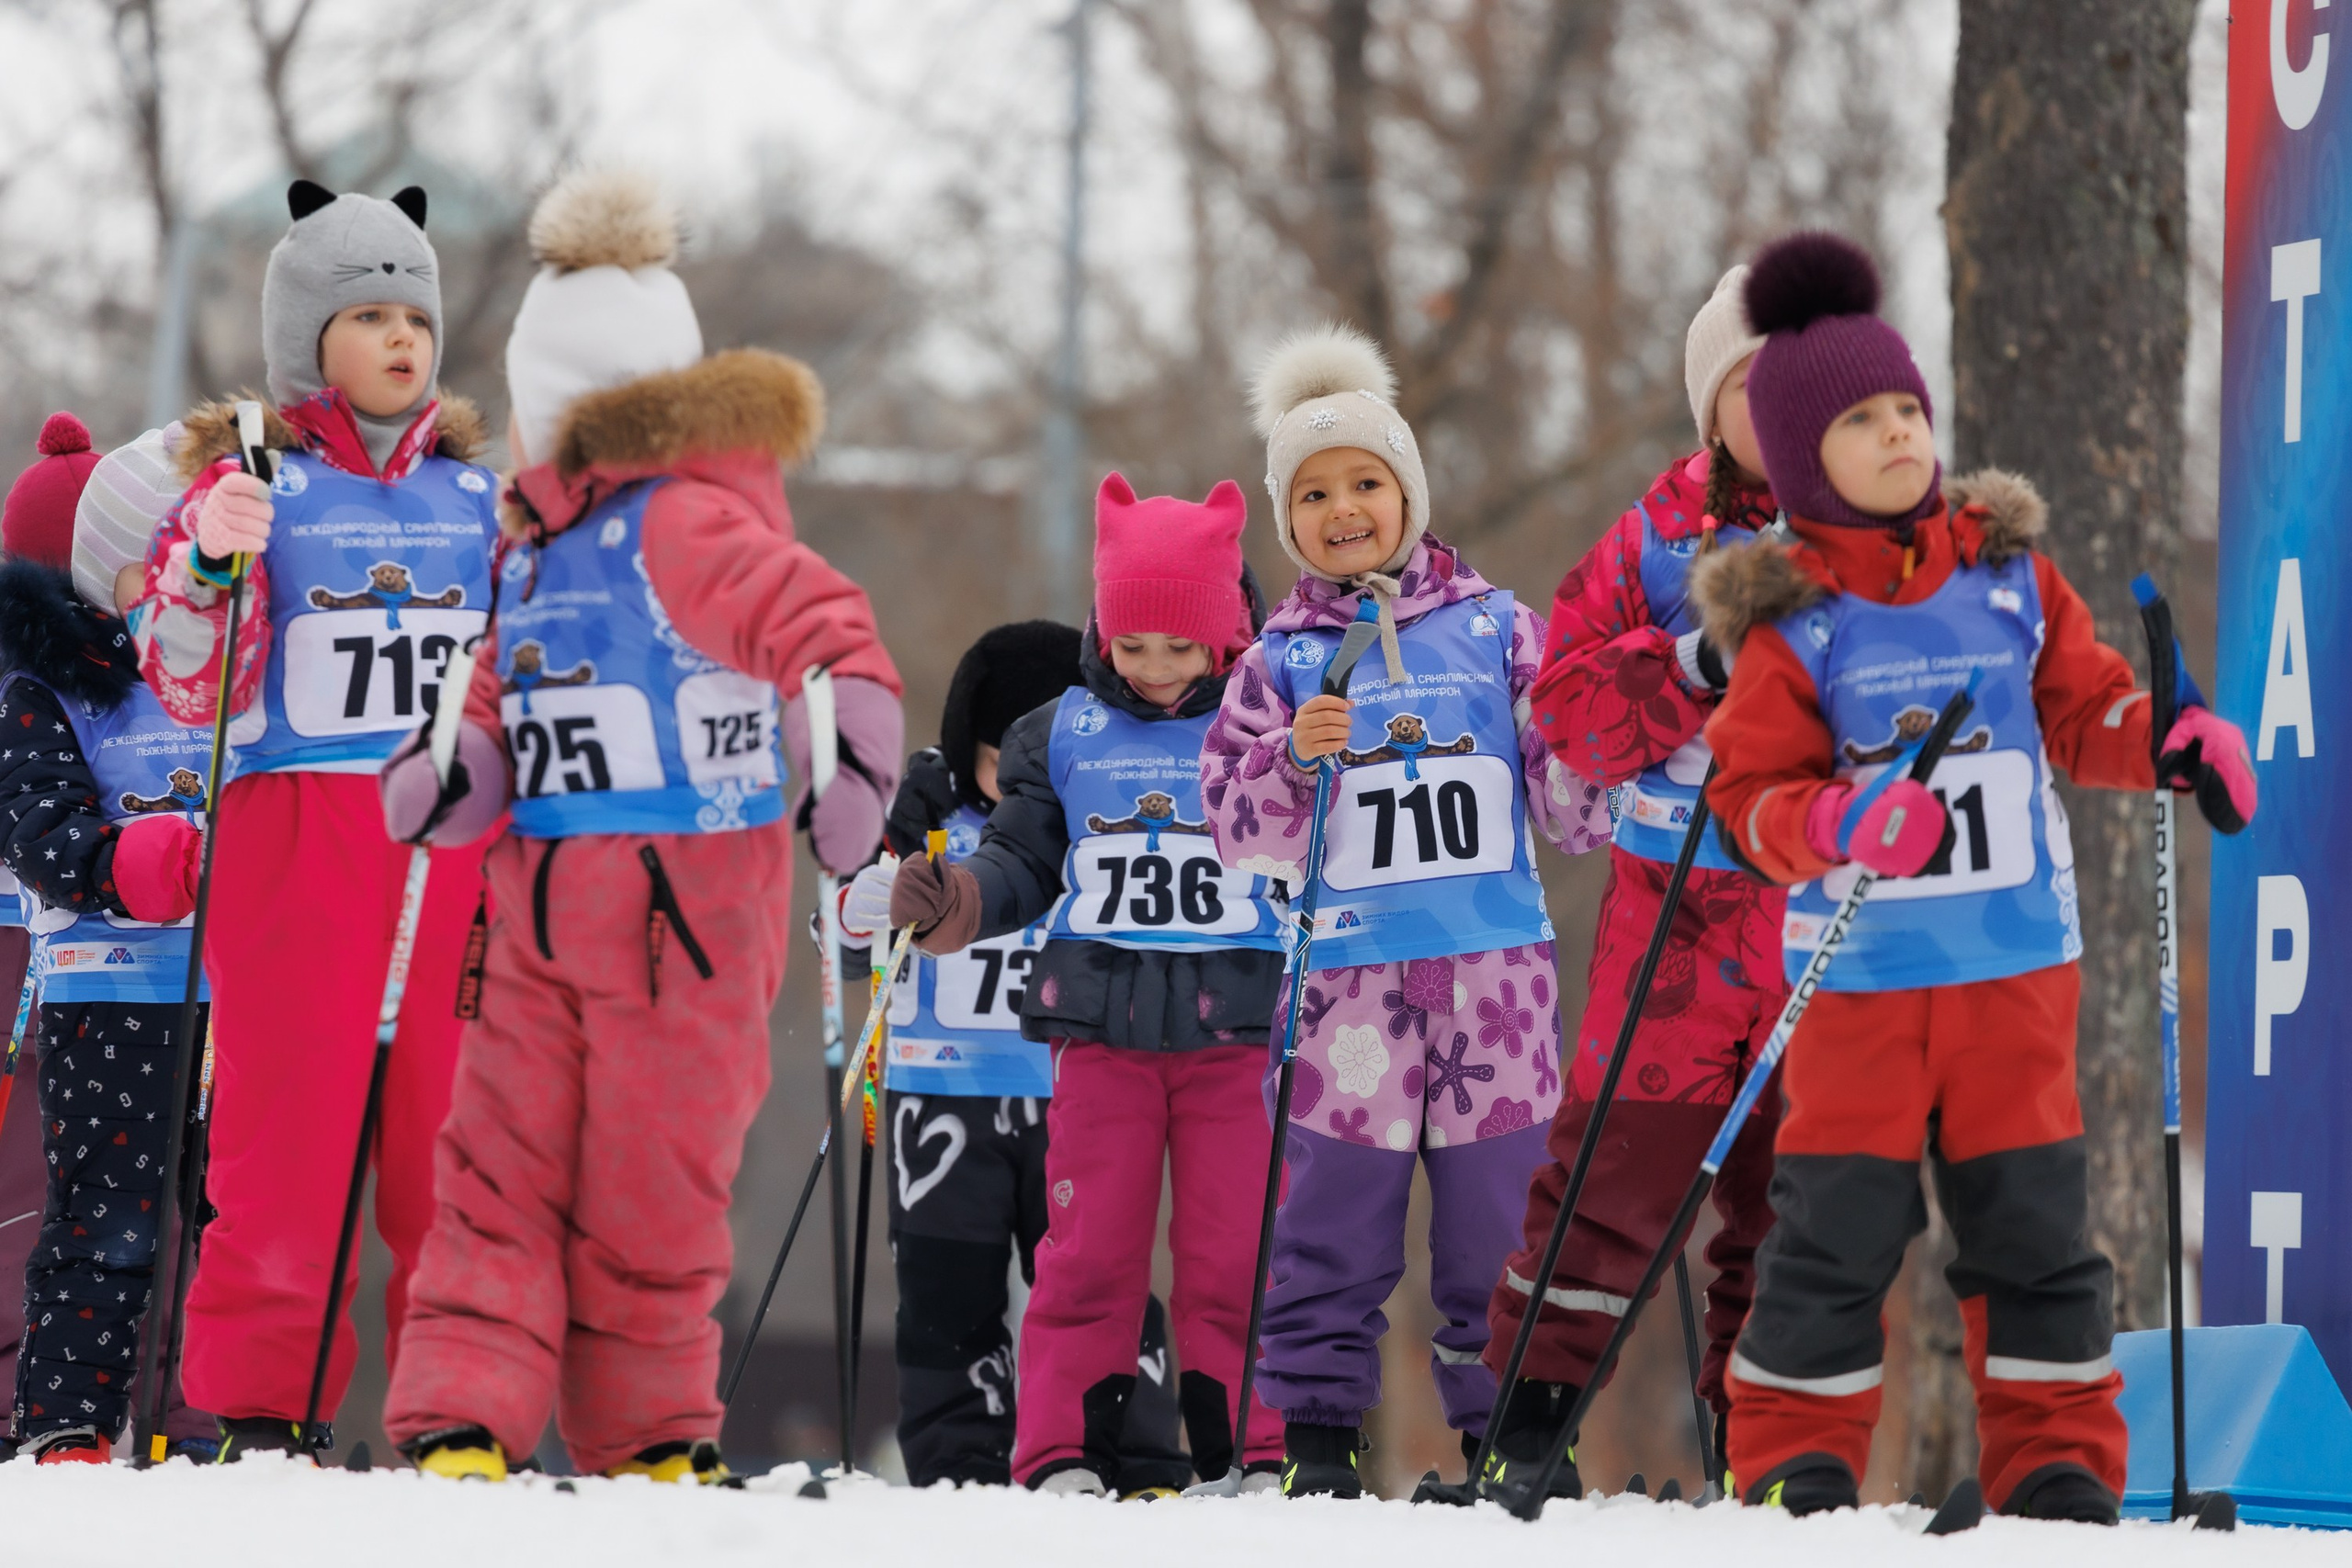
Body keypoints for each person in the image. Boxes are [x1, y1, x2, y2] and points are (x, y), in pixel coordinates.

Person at [1689, 231, 2258, 1523]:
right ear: (1795, 456)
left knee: (2038, 1236)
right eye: (1860, 418)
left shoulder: (2009, 579)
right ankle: (1793, 1462)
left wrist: (2170, 742)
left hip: (2013, 981)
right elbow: (1745, 805)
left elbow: (2091, 710)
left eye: (1907, 407)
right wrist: (1840, 818)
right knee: (1836, 1235)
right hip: (1865, 992)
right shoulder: (1795, 620)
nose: (1898, 433)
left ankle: (2056, 1461)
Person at [376, 168, 900, 1483]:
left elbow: (826, 627)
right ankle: (461, 1410)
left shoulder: (686, 523)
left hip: (686, 929)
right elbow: (494, 694)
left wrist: (847, 765)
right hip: (536, 919)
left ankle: (649, 1429)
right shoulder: (538, 550)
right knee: (491, 1167)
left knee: (651, 1191)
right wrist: (453, 772)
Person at [1198, 325, 1609, 1498]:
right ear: (1289, 521)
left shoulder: (1493, 627)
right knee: (1332, 1216)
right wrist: (1289, 757)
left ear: (1408, 494)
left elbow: (1567, 801)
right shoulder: (1275, 664)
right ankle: (1320, 1438)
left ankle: (1515, 1441)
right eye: (1314, 493)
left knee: (1499, 1223)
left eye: (1366, 483)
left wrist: (1612, 741)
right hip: (1348, 994)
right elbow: (1235, 829)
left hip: (1493, 989)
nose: (1343, 510)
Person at [134, 181, 499, 1460]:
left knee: (458, 1153)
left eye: (417, 312)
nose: (405, 337)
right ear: (308, 339)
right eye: (370, 313)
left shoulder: (477, 501)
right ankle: (256, 1407)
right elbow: (189, 685)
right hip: (298, 849)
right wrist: (206, 568)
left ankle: (464, 1401)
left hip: (451, 861)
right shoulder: (256, 488)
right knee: (286, 1142)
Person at [858, 475, 1287, 1495]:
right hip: (1101, 1037)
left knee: (1236, 1254)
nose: (1151, 671)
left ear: (1225, 635)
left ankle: (1256, 1449)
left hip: (1236, 1038)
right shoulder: (1059, 735)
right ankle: (1059, 1451)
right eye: (1131, 646)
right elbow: (1017, 863)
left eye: (1178, 650)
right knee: (1088, 1252)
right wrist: (952, 901)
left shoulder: (1268, 724)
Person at [1478, 269, 1787, 1496]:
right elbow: (1566, 711)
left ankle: (1776, 1456)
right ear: (1712, 407)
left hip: (1822, 924)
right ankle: (1524, 1434)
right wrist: (1696, 657)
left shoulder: (1885, 539)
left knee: (1811, 1196)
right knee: (1610, 1179)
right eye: (1764, 385)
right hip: (1679, 922)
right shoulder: (1658, 534)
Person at [863, 621, 1189, 1491]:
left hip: (1066, 1090)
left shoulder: (1088, 812)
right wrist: (882, 858)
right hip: (942, 1097)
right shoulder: (928, 824)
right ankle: (958, 1462)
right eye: (992, 757)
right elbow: (857, 925)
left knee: (1095, 1271)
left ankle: (1138, 1449)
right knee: (944, 1292)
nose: (1012, 780)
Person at [0, 414, 216, 1462]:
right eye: (144, 567)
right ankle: (68, 1423)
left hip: (236, 989)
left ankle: (207, 1420)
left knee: (231, 1218)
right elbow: (47, 830)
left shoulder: (216, 662)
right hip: (110, 982)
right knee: (106, 1217)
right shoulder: (47, 684)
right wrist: (157, 866)